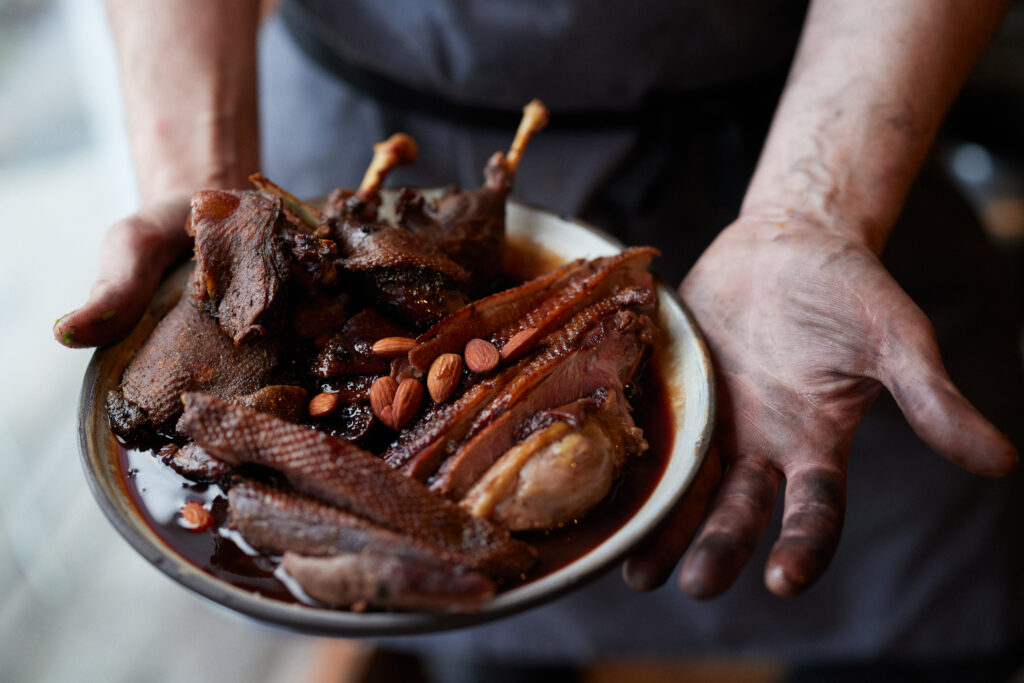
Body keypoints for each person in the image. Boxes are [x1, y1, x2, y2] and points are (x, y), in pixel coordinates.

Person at [56, 0, 1024, 678]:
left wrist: (813, 210)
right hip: (354, 175)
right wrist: (209, 203)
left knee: (918, 589)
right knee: (466, 625)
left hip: (805, 126)